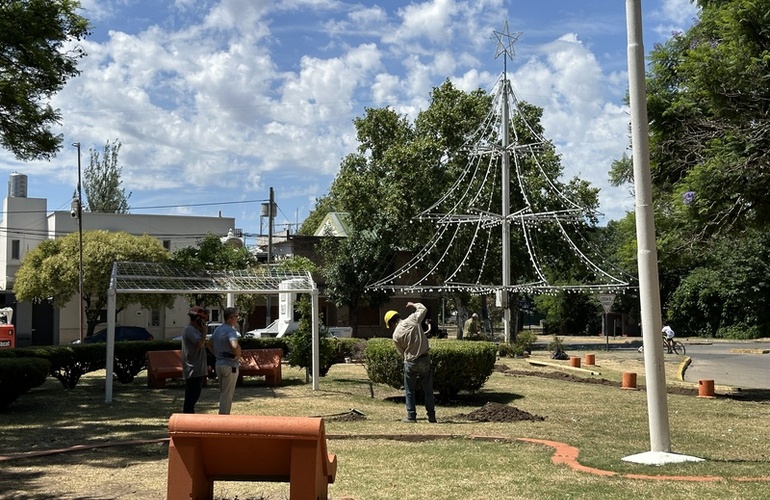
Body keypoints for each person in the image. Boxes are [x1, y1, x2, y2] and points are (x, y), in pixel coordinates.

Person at [385, 302, 436, 423]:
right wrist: (414, 304)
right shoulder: (412, 319)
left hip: (410, 362)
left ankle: (411, 416)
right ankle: (432, 416)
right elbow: (423, 308)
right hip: (424, 358)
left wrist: (408, 357)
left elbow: (401, 353)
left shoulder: (396, 335)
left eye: (390, 325)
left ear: (392, 323)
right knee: (428, 389)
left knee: (409, 390)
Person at [209, 307, 242, 414]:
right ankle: (223, 418)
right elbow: (234, 345)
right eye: (237, 316)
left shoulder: (218, 329)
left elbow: (209, 343)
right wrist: (238, 354)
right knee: (227, 394)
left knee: (223, 392)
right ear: (231, 317)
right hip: (230, 365)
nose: (238, 318)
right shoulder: (231, 331)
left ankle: (223, 416)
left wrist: (217, 354)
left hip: (219, 364)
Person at [181, 306, 209, 413]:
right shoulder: (189, 330)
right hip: (192, 369)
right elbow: (198, 344)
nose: (204, 323)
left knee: (195, 394)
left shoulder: (196, 331)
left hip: (198, 369)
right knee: (191, 396)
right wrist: (205, 332)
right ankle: (187, 416)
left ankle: (189, 414)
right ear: (197, 319)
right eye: (203, 320)